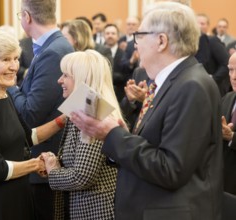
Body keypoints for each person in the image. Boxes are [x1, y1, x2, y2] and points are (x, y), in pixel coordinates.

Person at [70, 2, 223, 219]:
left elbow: (171, 169)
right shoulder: (175, 81)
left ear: (161, 41)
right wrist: (121, 133)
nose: (135, 44)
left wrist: (114, 135)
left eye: (139, 35)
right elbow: (156, 146)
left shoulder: (190, 86)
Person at [0, 28, 68, 220]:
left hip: (17, 193)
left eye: (15, 58)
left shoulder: (5, 95)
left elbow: (27, 137)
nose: (14, 66)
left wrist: (63, 120)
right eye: (5, 60)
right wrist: (38, 164)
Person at [8, 0, 74, 219]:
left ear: (27, 17)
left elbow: (30, 113)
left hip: (45, 158)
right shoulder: (54, 46)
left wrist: (11, 87)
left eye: (20, 15)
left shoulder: (52, 52)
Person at [41, 49, 123, 219]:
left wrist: (53, 171)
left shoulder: (94, 113)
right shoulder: (84, 108)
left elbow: (83, 176)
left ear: (81, 78)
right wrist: (55, 162)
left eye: (65, 75)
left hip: (97, 212)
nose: (59, 80)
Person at [221, 52, 236, 195]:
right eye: (231, 70)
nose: (234, 76)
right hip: (223, 184)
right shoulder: (227, 98)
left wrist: (232, 137)